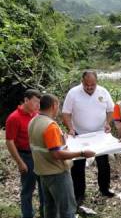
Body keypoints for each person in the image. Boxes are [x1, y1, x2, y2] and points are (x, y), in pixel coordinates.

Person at [28, 93, 95, 218]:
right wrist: (82, 153)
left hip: (43, 172)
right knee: (67, 209)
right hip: (57, 173)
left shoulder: (33, 121)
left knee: (50, 207)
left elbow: (43, 145)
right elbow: (56, 154)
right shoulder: (50, 126)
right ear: (54, 105)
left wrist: (62, 139)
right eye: (58, 105)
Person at [62, 70, 115, 204]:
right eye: (87, 84)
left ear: (97, 82)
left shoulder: (103, 92)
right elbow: (66, 113)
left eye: (93, 85)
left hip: (99, 134)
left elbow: (110, 110)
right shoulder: (73, 93)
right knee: (78, 165)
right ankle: (79, 193)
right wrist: (71, 128)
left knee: (103, 163)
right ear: (82, 81)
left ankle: (104, 188)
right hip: (80, 134)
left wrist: (108, 123)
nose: (90, 87)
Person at [5, 89, 44, 218]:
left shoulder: (36, 114)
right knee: (28, 189)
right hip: (26, 156)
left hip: (40, 154)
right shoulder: (14, 118)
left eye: (39, 103)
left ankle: (45, 212)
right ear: (26, 100)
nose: (38, 106)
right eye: (35, 102)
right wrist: (20, 162)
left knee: (44, 187)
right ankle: (27, 215)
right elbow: (10, 142)